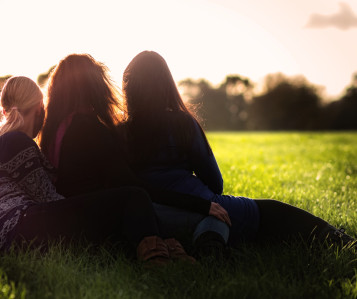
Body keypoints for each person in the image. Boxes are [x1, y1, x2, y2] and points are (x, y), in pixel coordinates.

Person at [121, 50, 356, 246]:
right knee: (275, 213)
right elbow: (215, 183)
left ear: (129, 88)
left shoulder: (120, 132)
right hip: (202, 203)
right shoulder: (182, 123)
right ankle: (343, 242)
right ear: (166, 84)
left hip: (154, 213)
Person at [0, 76, 193, 265]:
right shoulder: (17, 141)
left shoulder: (1, 143)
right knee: (133, 195)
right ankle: (159, 258)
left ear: (4, 110)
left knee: (113, 212)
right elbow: (47, 198)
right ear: (39, 109)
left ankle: (160, 247)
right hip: (22, 229)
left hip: (3, 235)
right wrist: (90, 207)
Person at [39, 53, 231, 256]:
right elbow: (134, 187)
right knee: (209, 217)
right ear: (93, 85)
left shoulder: (54, 130)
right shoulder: (91, 130)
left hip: (69, 219)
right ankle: (180, 248)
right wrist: (201, 205)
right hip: (95, 225)